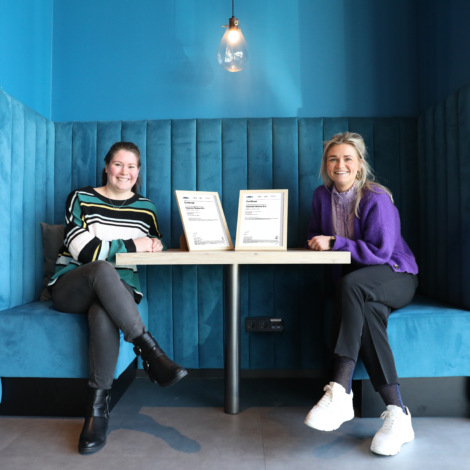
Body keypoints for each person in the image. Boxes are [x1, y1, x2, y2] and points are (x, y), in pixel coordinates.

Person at [48, 142, 188, 455]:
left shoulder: (146, 208)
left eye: (131, 166)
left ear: (139, 172)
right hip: (73, 286)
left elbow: (154, 246)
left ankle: (96, 414)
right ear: (106, 167)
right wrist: (133, 244)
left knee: (103, 311)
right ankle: (150, 352)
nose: (125, 172)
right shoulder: (80, 198)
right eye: (118, 164)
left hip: (118, 292)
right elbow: (86, 252)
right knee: (101, 268)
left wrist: (155, 245)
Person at [304, 132, 418, 456]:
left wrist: (334, 242)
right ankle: (398, 413)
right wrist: (318, 241)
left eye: (347, 158)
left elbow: (381, 252)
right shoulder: (320, 196)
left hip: (395, 274)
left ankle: (340, 388)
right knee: (364, 308)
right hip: (358, 287)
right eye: (333, 159)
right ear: (325, 165)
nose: (339, 164)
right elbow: (314, 234)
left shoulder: (375, 196)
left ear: (359, 165)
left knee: (351, 285)